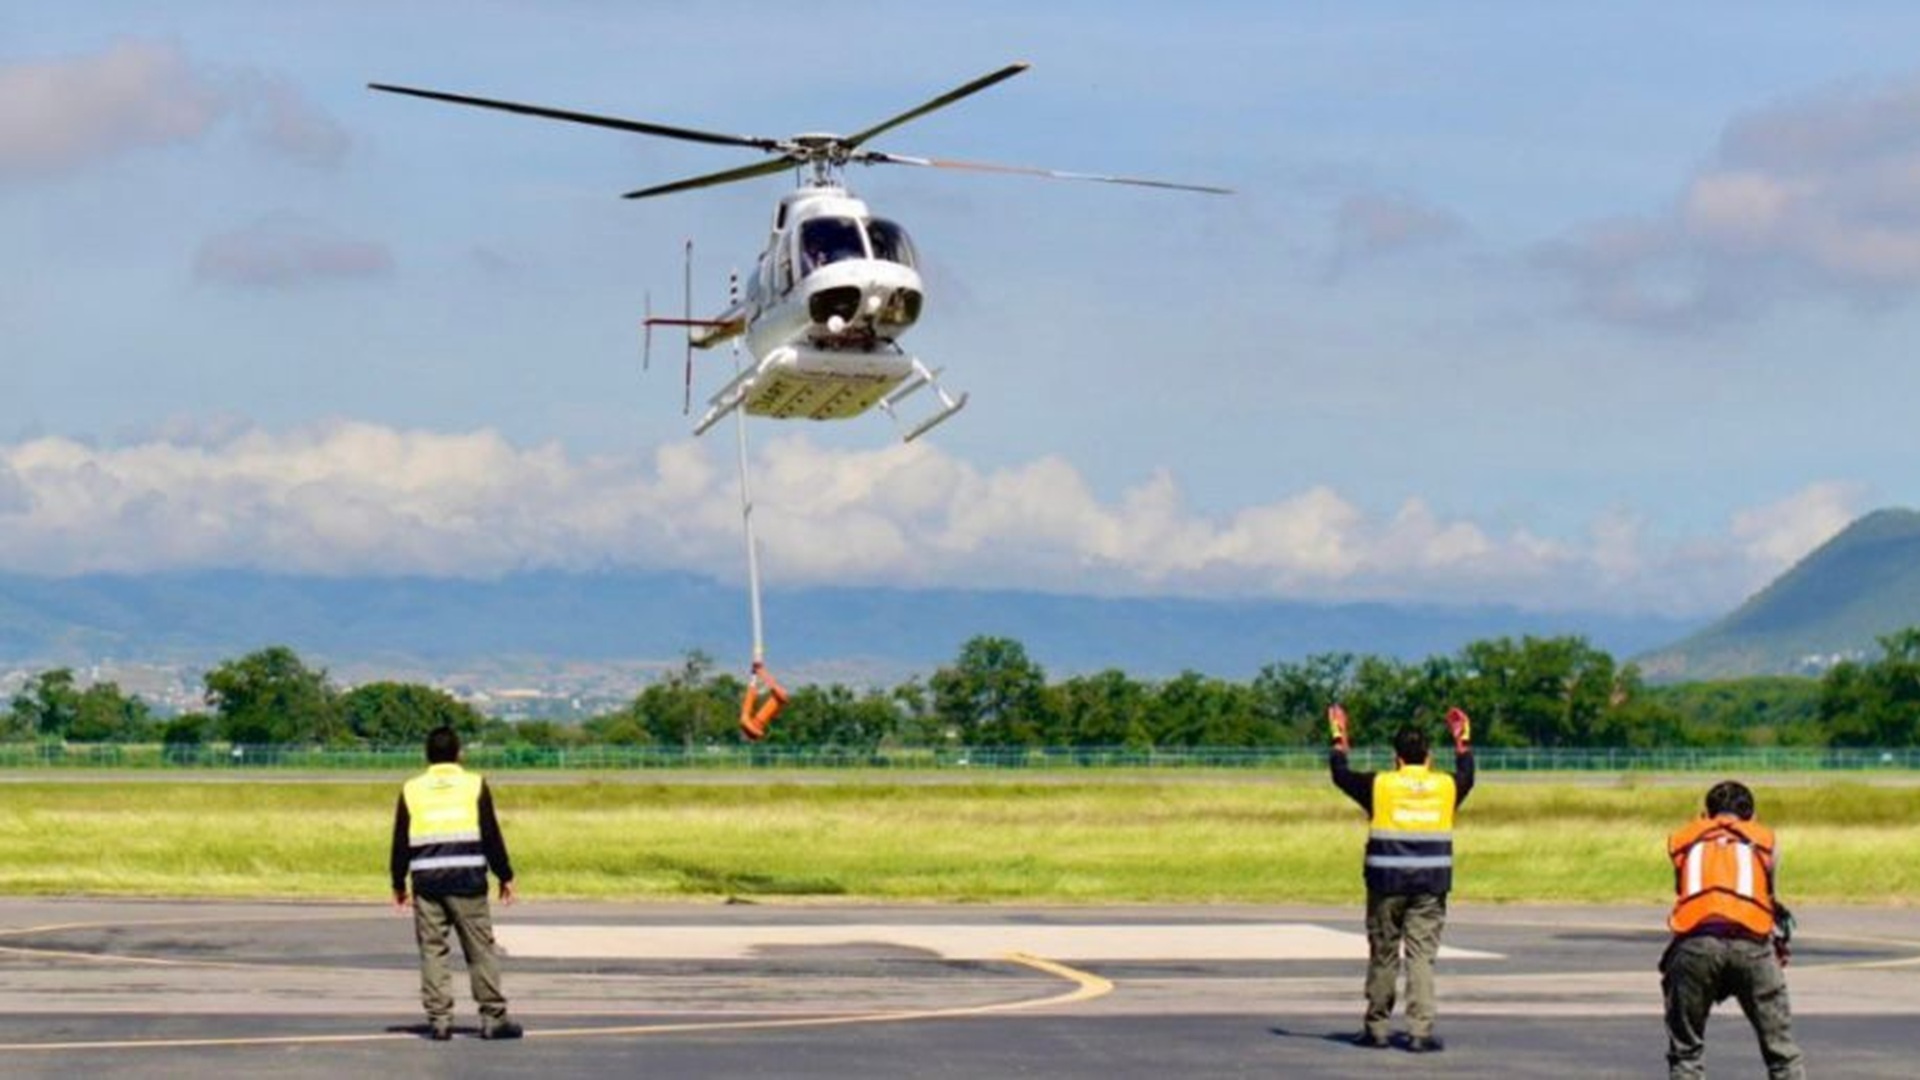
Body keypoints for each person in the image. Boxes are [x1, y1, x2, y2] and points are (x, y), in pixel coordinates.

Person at [1326, 703, 1475, 1053]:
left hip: (1385, 883)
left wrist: (1338, 738)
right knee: (1422, 957)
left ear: (1395, 757)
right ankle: (1420, 1032)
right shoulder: (1445, 786)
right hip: (1430, 885)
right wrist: (1463, 741)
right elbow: (1468, 774)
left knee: (1384, 953)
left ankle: (1376, 1027)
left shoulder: (1380, 785)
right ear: (1429, 756)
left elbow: (1340, 774)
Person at [1660, 780, 1804, 1079]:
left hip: (1695, 944)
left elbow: (1682, 887)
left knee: (1686, 1053)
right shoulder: (1764, 840)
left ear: (1706, 814)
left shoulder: (1684, 840)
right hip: (1751, 946)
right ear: (1752, 816)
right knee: (1782, 1054)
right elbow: (1767, 892)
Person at [390, 725, 523, 1041]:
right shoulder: (474, 784)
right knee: (480, 950)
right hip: (467, 880)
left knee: (433, 951)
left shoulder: (412, 789)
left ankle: (439, 1019)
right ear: (458, 752)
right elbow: (490, 834)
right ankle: (493, 1017)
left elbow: (400, 840)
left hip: (427, 882)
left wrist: (398, 881)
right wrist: (504, 874)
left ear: (427, 755)